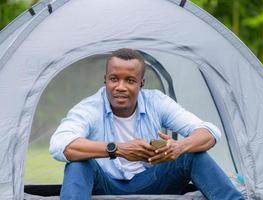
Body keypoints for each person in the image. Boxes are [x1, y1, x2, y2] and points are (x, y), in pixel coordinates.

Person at [49, 48, 244, 200]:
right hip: (105, 184)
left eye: (130, 80)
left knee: (191, 155)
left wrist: (178, 147)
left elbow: (210, 131)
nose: (120, 87)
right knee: (77, 163)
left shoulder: (156, 102)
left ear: (141, 83)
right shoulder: (89, 108)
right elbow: (59, 145)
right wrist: (117, 149)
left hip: (151, 181)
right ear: (105, 80)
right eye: (114, 79)